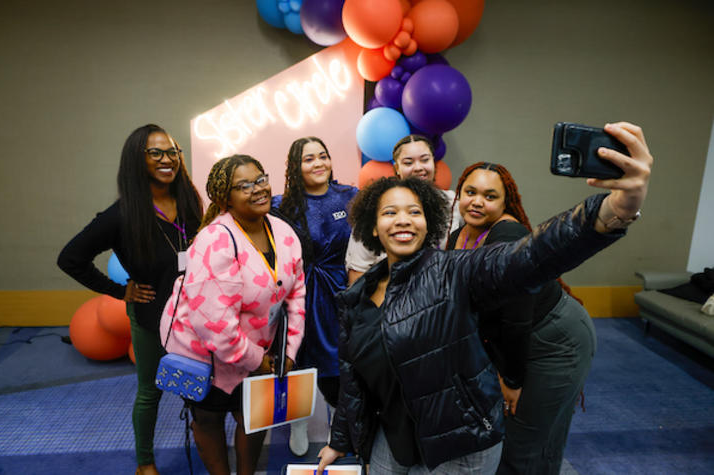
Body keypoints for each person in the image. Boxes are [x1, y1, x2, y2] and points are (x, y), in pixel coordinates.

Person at [317, 122, 652, 474]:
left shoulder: (454, 271)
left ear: (428, 222)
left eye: (414, 212)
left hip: (460, 439)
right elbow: (353, 381)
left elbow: (532, 254)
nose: (403, 220)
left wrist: (616, 209)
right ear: (372, 226)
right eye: (390, 212)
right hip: (396, 434)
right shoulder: (355, 299)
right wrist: (339, 441)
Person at [57, 124, 203, 475]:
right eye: (156, 153)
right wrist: (119, 291)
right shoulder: (121, 214)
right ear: (137, 160)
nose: (167, 160)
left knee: (199, 385)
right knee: (150, 392)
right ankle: (145, 462)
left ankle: (206, 445)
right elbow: (70, 259)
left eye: (172, 152)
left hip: (195, 314)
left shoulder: (188, 200)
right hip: (152, 316)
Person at [160, 154, 306, 475]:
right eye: (244, 185)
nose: (258, 189)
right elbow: (215, 326)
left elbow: (296, 296)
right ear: (225, 197)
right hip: (205, 355)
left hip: (258, 352)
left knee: (253, 416)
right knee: (209, 418)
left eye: (261, 179)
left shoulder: (282, 232)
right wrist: (260, 361)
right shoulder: (215, 240)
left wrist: (288, 352)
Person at [446, 161, 593, 474]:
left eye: (489, 196)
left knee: (526, 442)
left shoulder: (508, 234)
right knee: (522, 439)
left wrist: (511, 380)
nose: (476, 201)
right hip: (522, 336)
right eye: (469, 192)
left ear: (504, 203)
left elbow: (515, 316)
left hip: (554, 339)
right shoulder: (461, 234)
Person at [271, 137, 358, 456]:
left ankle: (338, 423)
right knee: (298, 360)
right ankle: (297, 423)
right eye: (309, 159)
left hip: (340, 289)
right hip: (298, 293)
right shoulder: (281, 204)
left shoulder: (350, 196)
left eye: (323, 156)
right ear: (296, 166)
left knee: (338, 360)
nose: (318, 163)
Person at [345, 134, 463, 284]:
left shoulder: (452, 203)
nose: (419, 167)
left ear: (434, 163)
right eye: (408, 162)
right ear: (397, 168)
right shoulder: (375, 205)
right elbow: (358, 270)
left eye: (425, 160)